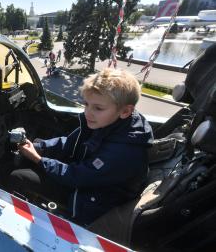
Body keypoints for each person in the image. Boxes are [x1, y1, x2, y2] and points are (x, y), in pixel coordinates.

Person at [8, 68, 153, 226]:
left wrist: (38, 159)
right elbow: (71, 143)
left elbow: (76, 177)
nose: (87, 113)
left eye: (98, 108)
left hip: (92, 199)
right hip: (89, 180)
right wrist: (40, 146)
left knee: (19, 177)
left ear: (125, 111)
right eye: (86, 104)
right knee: (29, 161)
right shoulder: (109, 122)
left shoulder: (123, 152)